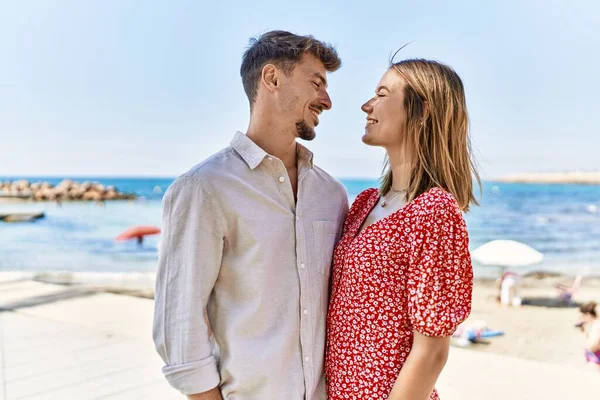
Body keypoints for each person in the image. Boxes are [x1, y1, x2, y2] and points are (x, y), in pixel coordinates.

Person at [152, 31, 348, 400]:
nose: (327, 100)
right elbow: (179, 322)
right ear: (272, 78)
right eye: (316, 82)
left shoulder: (332, 195)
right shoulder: (204, 188)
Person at [325, 57, 480, 400]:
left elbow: (432, 352)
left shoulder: (434, 211)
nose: (367, 105)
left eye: (382, 94)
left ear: (421, 110)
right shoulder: (363, 204)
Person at [578, 301, 600, 370]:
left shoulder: (597, 325)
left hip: (595, 364)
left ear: (588, 314)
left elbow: (592, 347)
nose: (580, 318)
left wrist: (583, 334)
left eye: (582, 315)